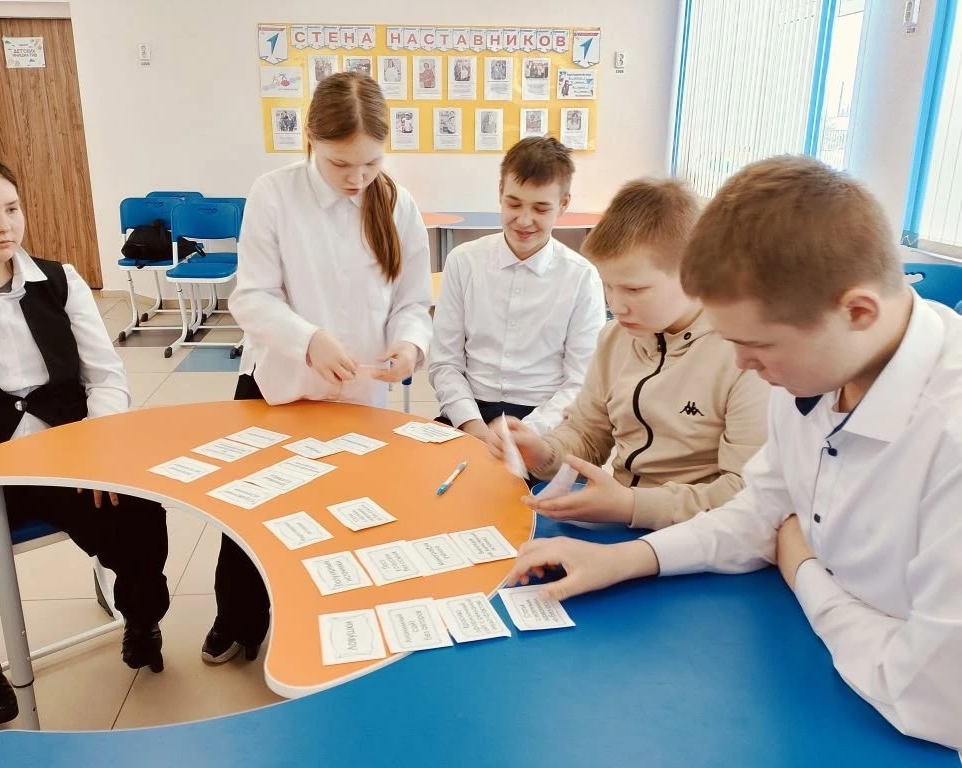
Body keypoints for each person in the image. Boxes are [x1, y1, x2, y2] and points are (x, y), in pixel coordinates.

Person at [508, 156, 962, 750]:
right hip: (828, 681)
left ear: (856, 312)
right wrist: (625, 560)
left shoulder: (947, 434)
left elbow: (932, 700)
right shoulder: (811, 369)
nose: (742, 364)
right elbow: (758, 514)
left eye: (756, 344)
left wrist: (804, 572)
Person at [203, 71, 431, 665]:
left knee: (345, 511)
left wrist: (409, 346)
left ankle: (330, 624)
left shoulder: (398, 204)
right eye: (340, 164)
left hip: (358, 394)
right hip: (278, 387)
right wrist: (308, 341)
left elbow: (412, 302)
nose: (357, 178)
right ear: (310, 140)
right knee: (251, 510)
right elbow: (252, 297)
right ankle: (238, 618)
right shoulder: (274, 194)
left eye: (371, 163)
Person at [0, 146, 170, 733]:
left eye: (12, 209)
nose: (5, 225)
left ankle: (141, 618)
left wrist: (98, 450)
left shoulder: (60, 281)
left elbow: (105, 377)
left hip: (67, 456)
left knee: (141, 514)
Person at [490, 177, 769, 529]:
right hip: (617, 518)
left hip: (697, 535)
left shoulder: (744, 357)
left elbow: (744, 492)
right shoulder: (615, 339)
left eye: (635, 289)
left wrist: (631, 505)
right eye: (608, 285)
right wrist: (543, 451)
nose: (616, 305)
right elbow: (587, 434)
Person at [428, 137, 603, 444]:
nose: (524, 220)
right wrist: (472, 424)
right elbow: (445, 363)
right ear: (500, 193)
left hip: (547, 419)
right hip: (470, 412)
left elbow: (581, 382)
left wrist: (528, 432)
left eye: (541, 208)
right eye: (514, 204)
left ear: (563, 205)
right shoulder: (464, 262)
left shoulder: (581, 278)